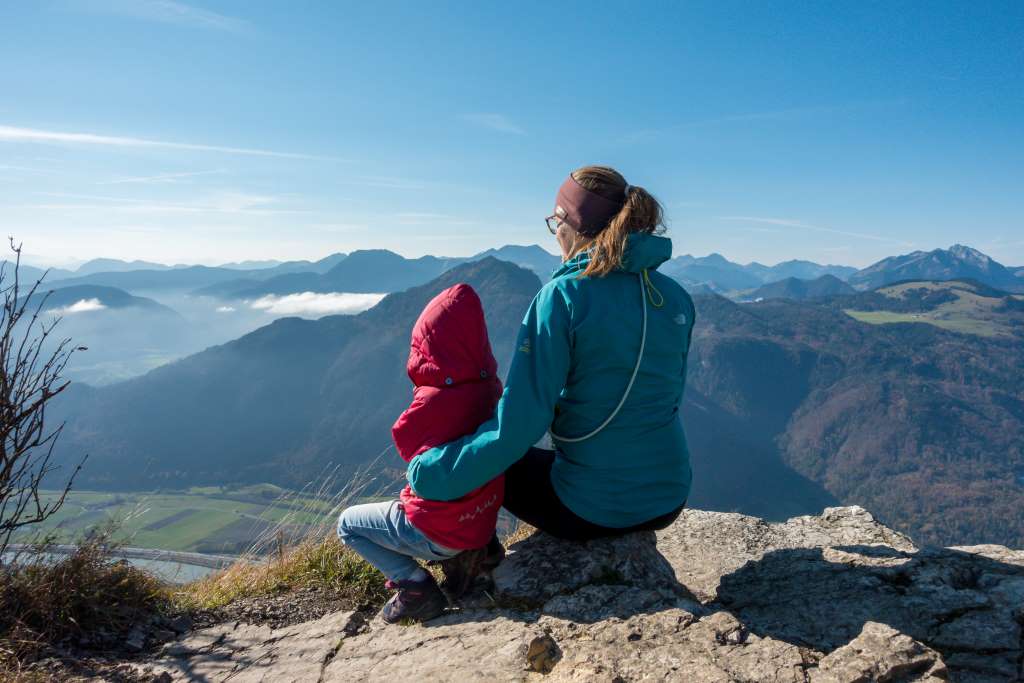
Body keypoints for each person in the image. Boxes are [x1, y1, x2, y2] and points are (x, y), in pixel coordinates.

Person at [407, 165, 695, 544]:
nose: (555, 233)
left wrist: (430, 474)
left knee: (491, 465)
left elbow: (519, 426)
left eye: (555, 221)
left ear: (572, 225)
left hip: (592, 509)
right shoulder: (675, 296)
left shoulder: (563, 298)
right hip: (669, 498)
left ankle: (468, 557)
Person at [337, 283, 504, 623]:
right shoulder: (492, 389)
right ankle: (479, 552)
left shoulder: (433, 401)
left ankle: (414, 587)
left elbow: (405, 441)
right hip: (481, 521)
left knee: (347, 525)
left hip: (439, 533)